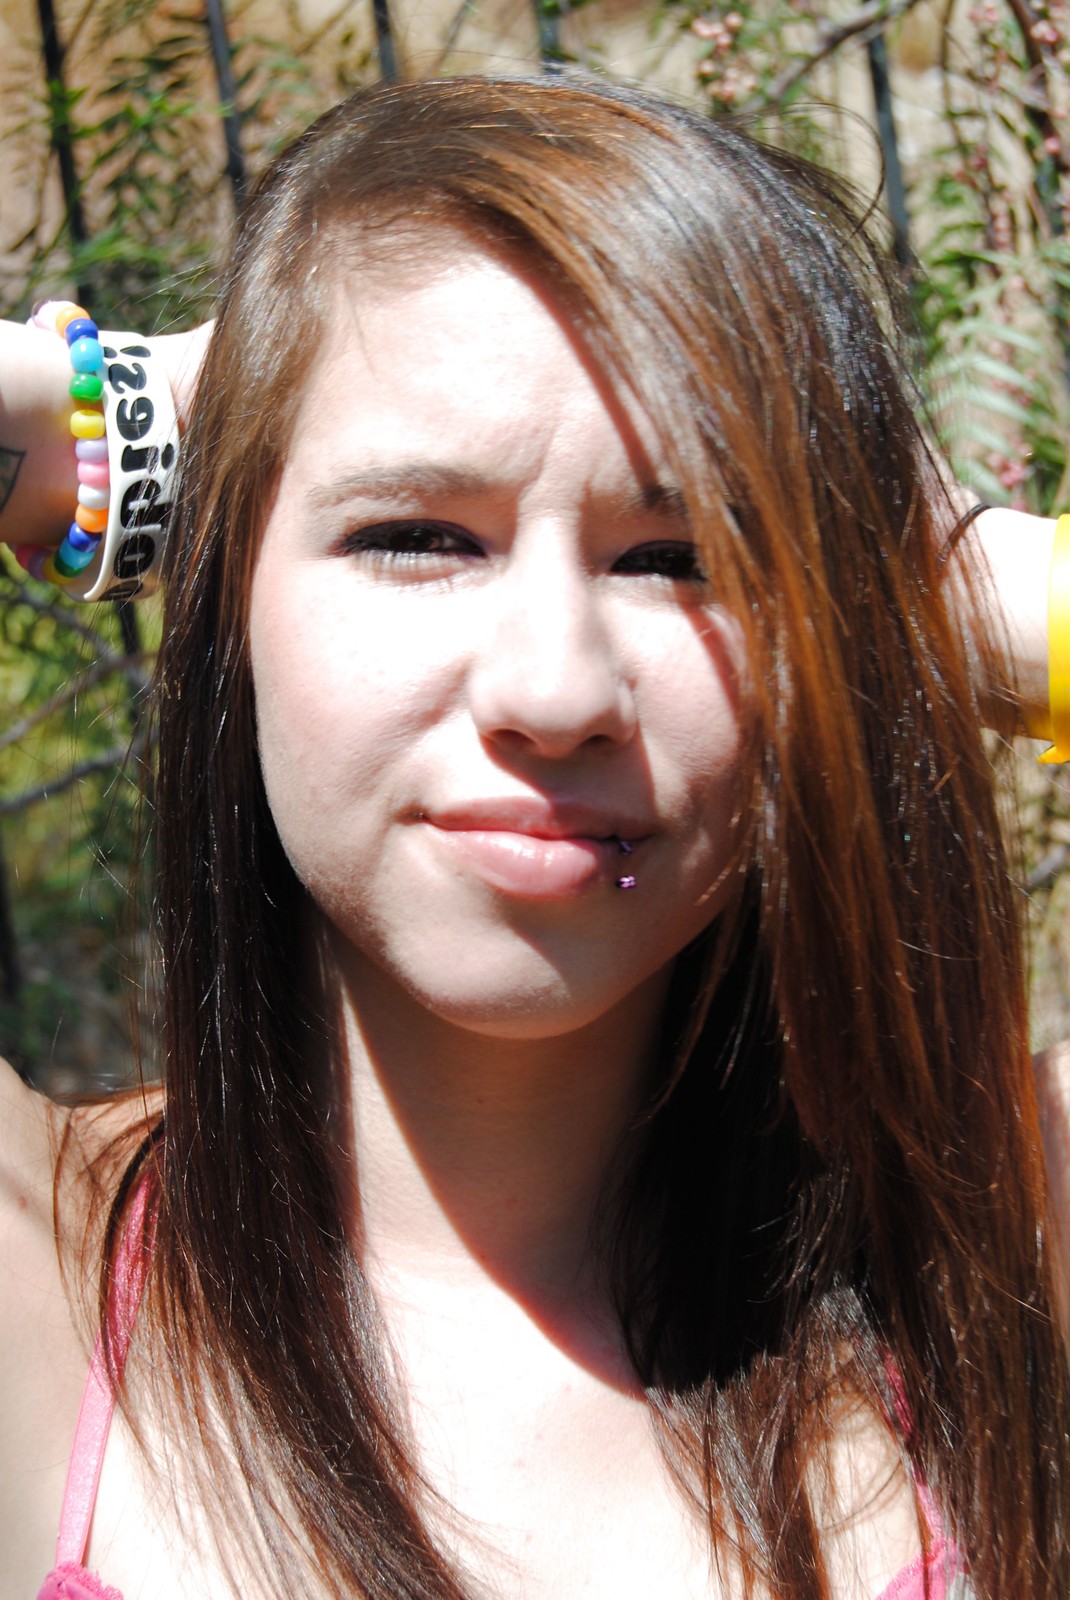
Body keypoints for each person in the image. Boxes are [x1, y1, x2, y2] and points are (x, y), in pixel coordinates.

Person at [1, 74, 1068, 1600]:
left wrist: (929, 592)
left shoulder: (1001, 1259)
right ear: (230, 589)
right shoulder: (38, 1275)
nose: (555, 692)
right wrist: (133, 424)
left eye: (682, 559)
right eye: (415, 536)